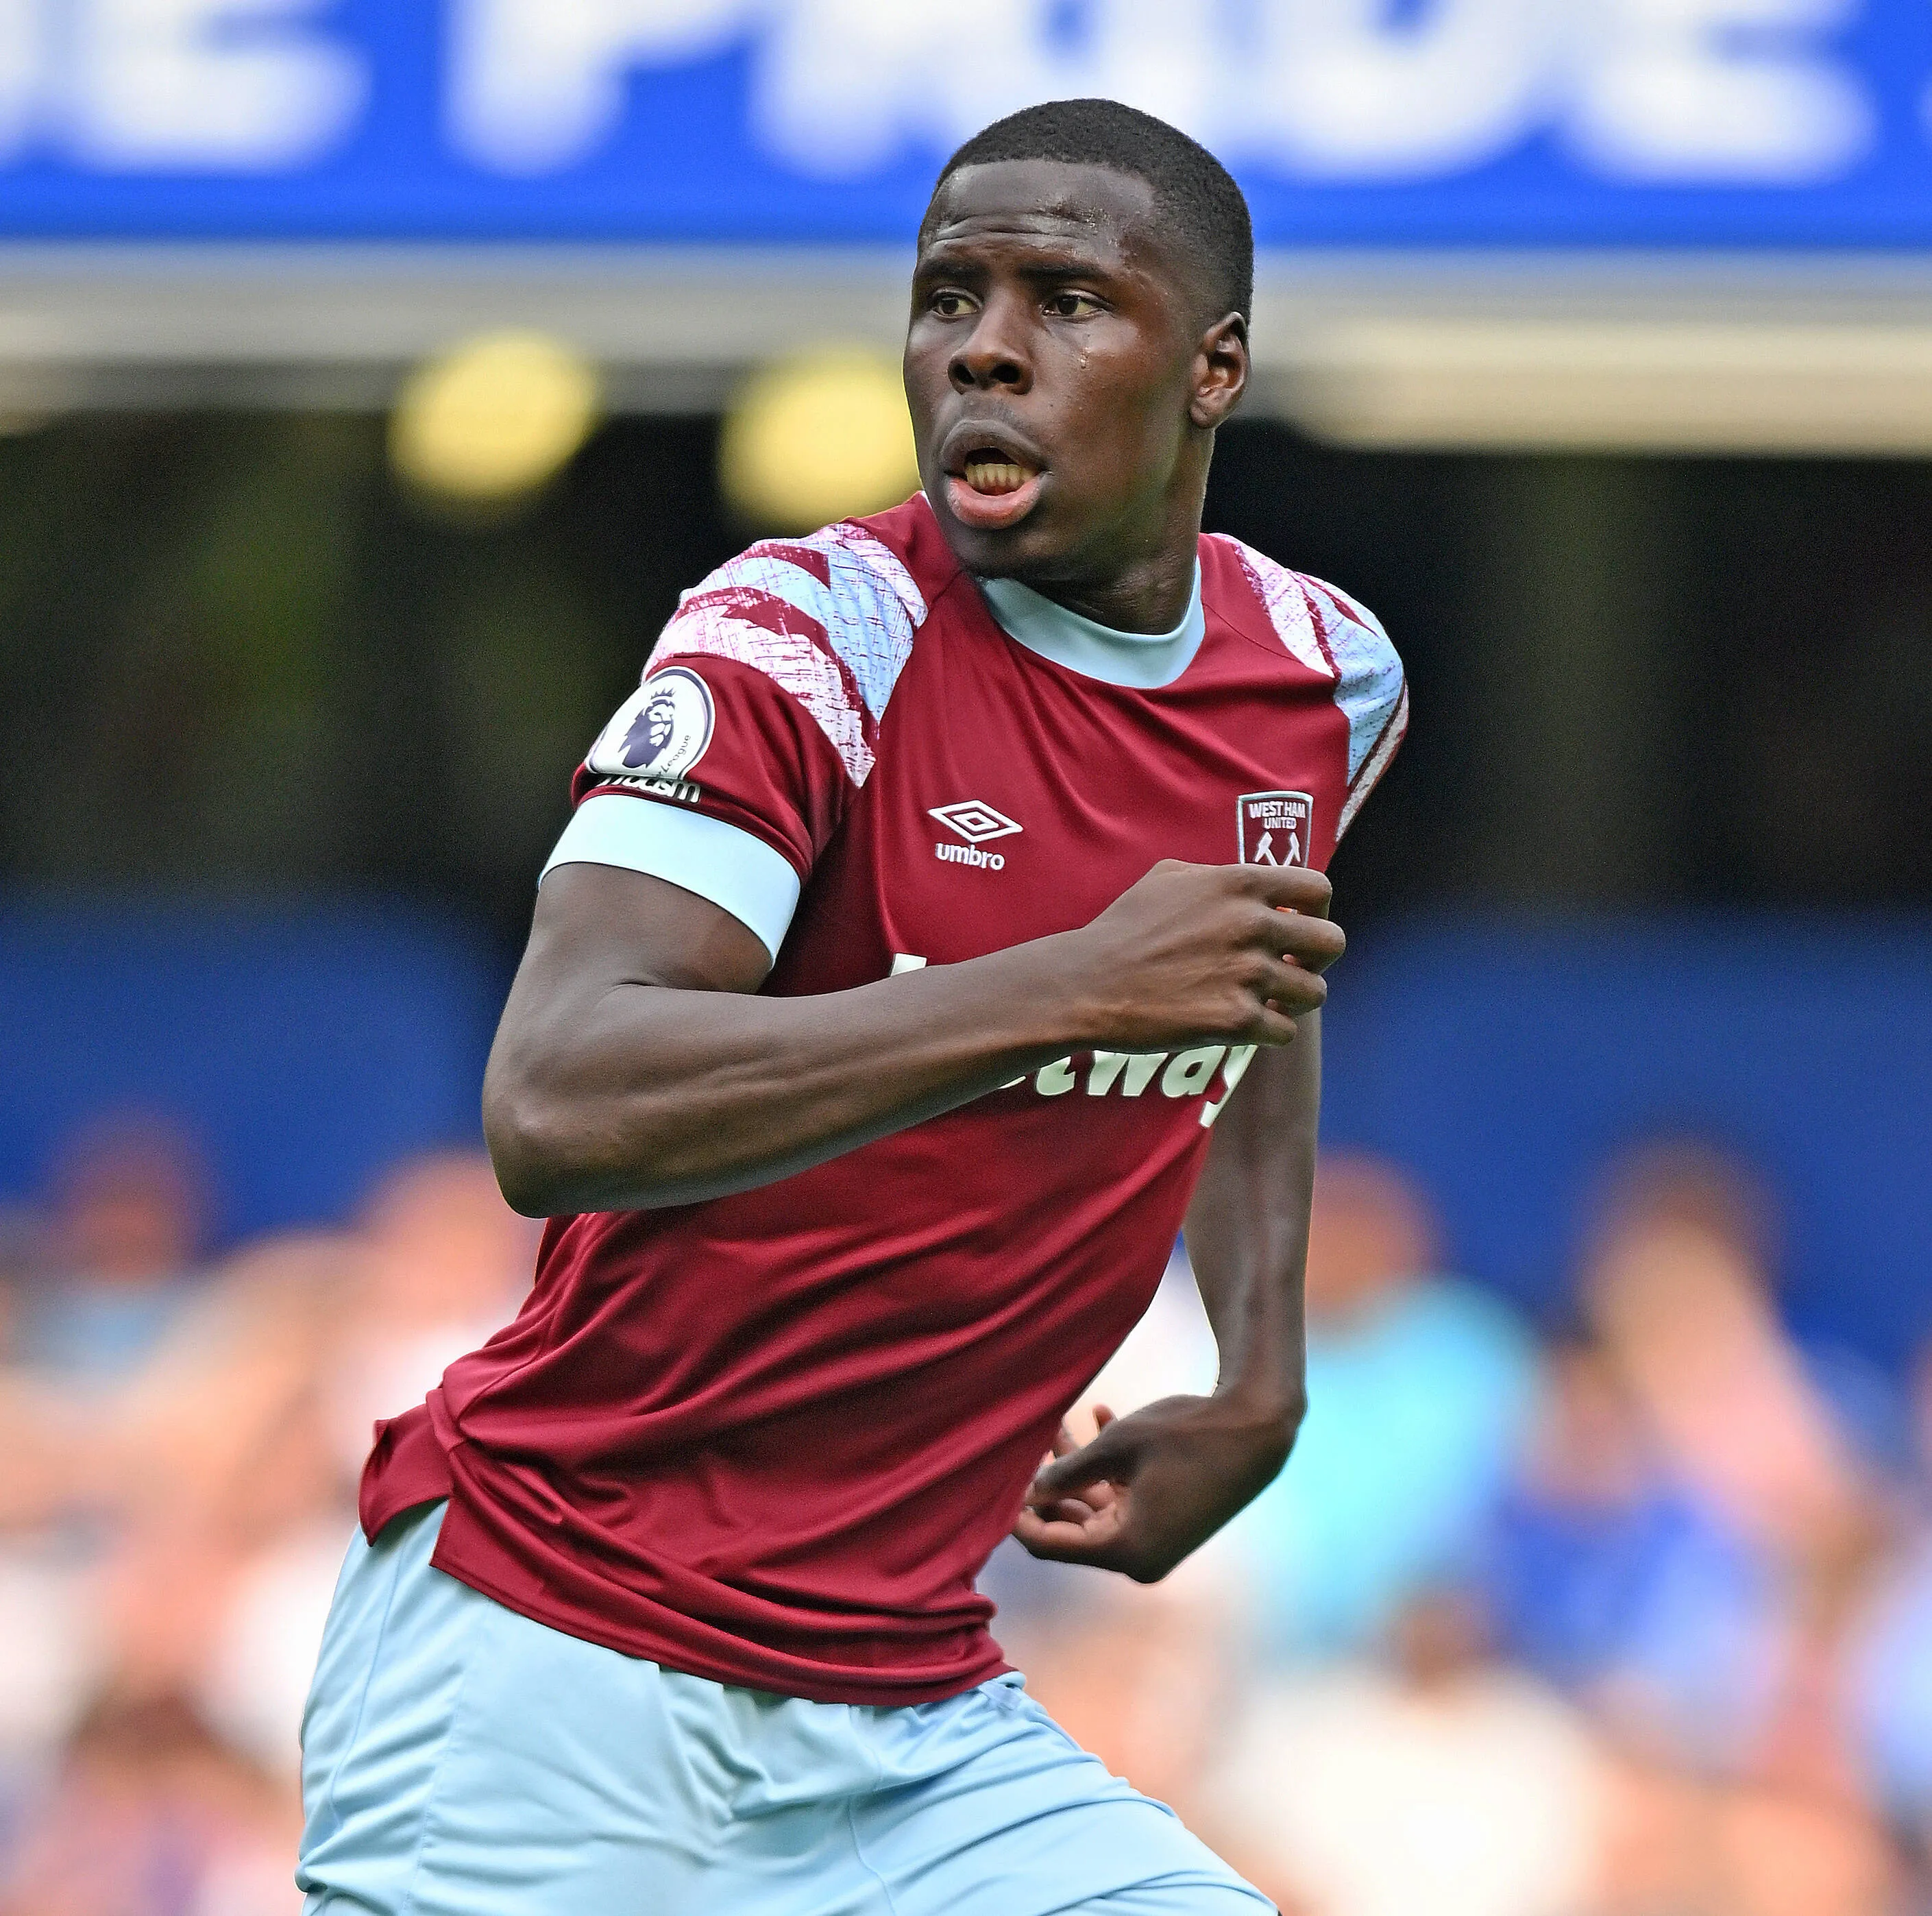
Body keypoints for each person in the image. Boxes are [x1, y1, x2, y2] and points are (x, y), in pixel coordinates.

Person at [297, 97, 1406, 1915]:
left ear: (1213, 369)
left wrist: (1259, 1367)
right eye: (948, 294)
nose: (984, 344)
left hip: (905, 1709)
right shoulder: (802, 642)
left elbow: (1250, 972)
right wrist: (1060, 986)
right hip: (553, 1651)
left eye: (1065, 299)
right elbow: (557, 1101)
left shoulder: (1322, 679)